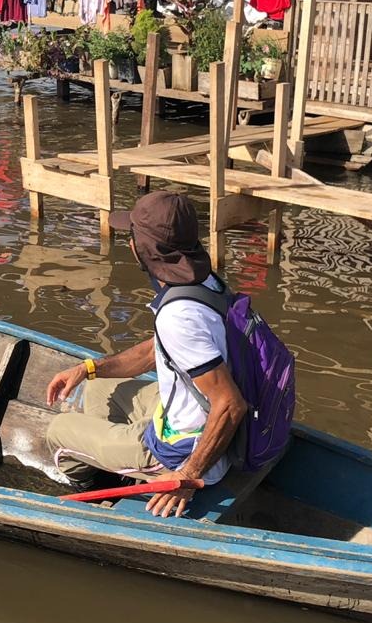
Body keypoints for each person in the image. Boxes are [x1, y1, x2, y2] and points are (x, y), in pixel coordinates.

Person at [45, 191, 247, 518]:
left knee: (58, 431)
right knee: (96, 387)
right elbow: (158, 350)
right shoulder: (207, 283)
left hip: (184, 454)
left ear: (139, 249)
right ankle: (119, 462)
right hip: (193, 418)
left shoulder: (177, 316)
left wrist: (187, 474)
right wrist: (88, 368)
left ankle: (102, 496)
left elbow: (230, 404)